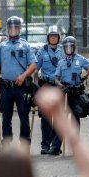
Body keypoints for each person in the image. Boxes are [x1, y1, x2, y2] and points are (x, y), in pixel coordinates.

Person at [0, 16, 37, 145]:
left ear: (19, 29)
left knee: (24, 114)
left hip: (21, 86)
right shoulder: (2, 46)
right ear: (7, 29)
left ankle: (24, 141)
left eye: (15, 27)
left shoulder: (25, 45)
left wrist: (23, 76)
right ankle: (6, 139)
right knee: (6, 115)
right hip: (6, 86)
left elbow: (33, 65)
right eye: (10, 27)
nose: (12, 30)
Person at [53, 35, 89, 155]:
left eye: (71, 47)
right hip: (65, 94)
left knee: (75, 121)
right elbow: (56, 78)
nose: (69, 49)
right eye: (67, 47)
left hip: (76, 94)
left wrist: (84, 77)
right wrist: (61, 86)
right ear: (64, 48)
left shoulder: (80, 59)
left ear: (74, 47)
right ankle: (56, 147)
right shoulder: (61, 62)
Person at [35, 25, 64, 154]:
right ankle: (45, 144)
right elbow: (36, 68)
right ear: (48, 37)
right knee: (46, 117)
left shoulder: (63, 50)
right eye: (51, 36)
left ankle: (55, 144)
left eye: (55, 36)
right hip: (46, 85)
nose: (53, 38)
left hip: (58, 86)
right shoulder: (42, 51)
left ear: (59, 38)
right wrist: (35, 86)